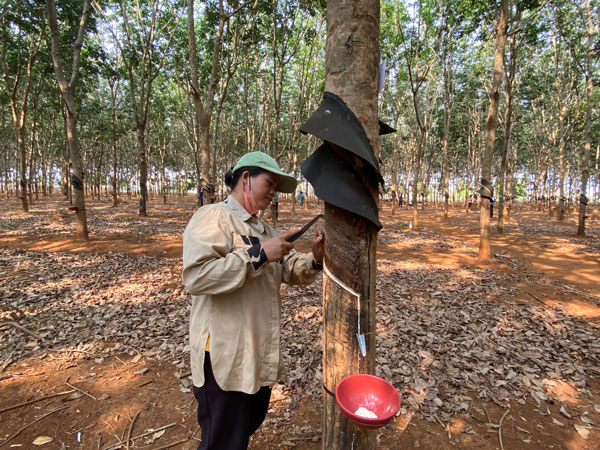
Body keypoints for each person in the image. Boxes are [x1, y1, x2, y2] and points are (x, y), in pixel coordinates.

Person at [182, 151, 324, 450]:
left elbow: (287, 267)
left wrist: (315, 259)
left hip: (256, 350)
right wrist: (259, 254)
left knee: (246, 425)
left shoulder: (264, 230)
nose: (273, 193)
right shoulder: (213, 217)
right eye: (270, 183)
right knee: (223, 440)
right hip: (224, 354)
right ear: (245, 178)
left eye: (276, 188)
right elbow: (198, 277)